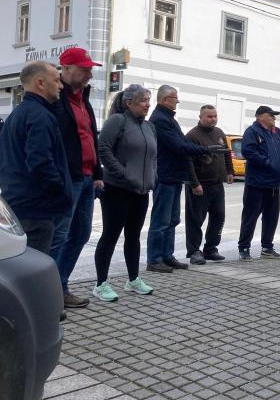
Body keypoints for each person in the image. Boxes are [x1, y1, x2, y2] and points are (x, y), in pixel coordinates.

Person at [49, 48, 104, 310]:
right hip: (68, 178)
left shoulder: (84, 99)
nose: (89, 74)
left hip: (87, 177)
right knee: (58, 236)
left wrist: (98, 173)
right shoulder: (54, 99)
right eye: (84, 69)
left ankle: (59, 286)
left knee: (81, 234)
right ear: (66, 68)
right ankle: (48, 293)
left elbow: (91, 137)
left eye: (90, 69)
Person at [93, 85, 158, 301]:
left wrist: (153, 175)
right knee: (110, 235)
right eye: (143, 100)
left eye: (148, 100)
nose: (148, 104)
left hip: (141, 190)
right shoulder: (117, 121)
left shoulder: (149, 126)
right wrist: (123, 173)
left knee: (133, 236)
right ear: (129, 103)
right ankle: (101, 284)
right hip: (116, 189)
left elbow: (153, 156)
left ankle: (133, 280)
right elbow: (103, 149)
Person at [0, 61, 72, 254]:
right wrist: (59, 190)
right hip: (36, 209)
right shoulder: (40, 116)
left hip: (18, 202)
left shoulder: (18, 114)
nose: (61, 86)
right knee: (35, 264)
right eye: (56, 80)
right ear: (40, 83)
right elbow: (40, 162)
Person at [146, 85, 218, 273]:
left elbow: (183, 143)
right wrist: (204, 150)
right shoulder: (160, 119)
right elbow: (178, 146)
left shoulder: (169, 118)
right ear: (164, 99)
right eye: (174, 98)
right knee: (161, 221)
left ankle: (167, 256)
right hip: (165, 176)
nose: (177, 101)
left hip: (174, 176)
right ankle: (154, 259)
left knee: (172, 220)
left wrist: (202, 150)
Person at [238, 105, 280, 260]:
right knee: (250, 216)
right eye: (270, 115)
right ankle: (244, 248)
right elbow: (248, 151)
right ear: (259, 116)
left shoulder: (278, 133)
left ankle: (267, 248)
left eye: (274, 115)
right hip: (257, 183)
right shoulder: (252, 131)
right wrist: (267, 162)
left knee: (271, 217)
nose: (274, 117)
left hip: (274, 183)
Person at [185, 105, 235, 265]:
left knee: (219, 216)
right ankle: (194, 251)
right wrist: (194, 184)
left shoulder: (219, 133)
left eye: (215, 116)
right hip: (200, 186)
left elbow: (227, 153)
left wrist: (230, 171)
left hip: (217, 185)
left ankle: (211, 248)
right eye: (209, 116)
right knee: (195, 220)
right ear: (200, 117)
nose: (213, 119)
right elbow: (188, 162)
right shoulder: (192, 135)